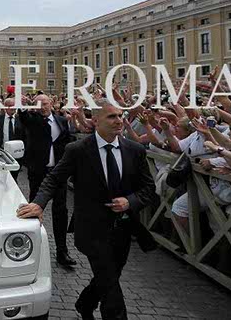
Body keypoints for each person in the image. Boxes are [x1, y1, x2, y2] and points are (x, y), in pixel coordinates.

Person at [17, 99, 156, 320]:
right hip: (91, 229)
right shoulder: (78, 149)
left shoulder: (135, 150)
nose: (119, 120)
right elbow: (54, 179)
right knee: (110, 284)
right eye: (112, 116)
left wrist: (130, 201)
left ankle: (85, 303)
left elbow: (148, 188)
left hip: (123, 229)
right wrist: (38, 203)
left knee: (111, 275)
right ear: (96, 120)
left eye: (120, 115)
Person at [17, 94, 76, 266]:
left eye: (44, 103)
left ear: (51, 103)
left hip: (57, 173)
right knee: (34, 209)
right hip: (38, 172)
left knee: (61, 211)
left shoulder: (61, 121)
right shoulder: (33, 119)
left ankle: (62, 251)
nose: (42, 107)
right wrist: (22, 106)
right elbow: (24, 117)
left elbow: (67, 141)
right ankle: (31, 248)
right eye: (38, 104)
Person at [0, 98, 26, 181]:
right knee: (1, 176)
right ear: (5, 107)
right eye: (10, 106)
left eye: (14, 106)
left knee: (14, 177)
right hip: (1, 152)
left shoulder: (21, 119)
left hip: (16, 153)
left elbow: (25, 135)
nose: (13, 108)